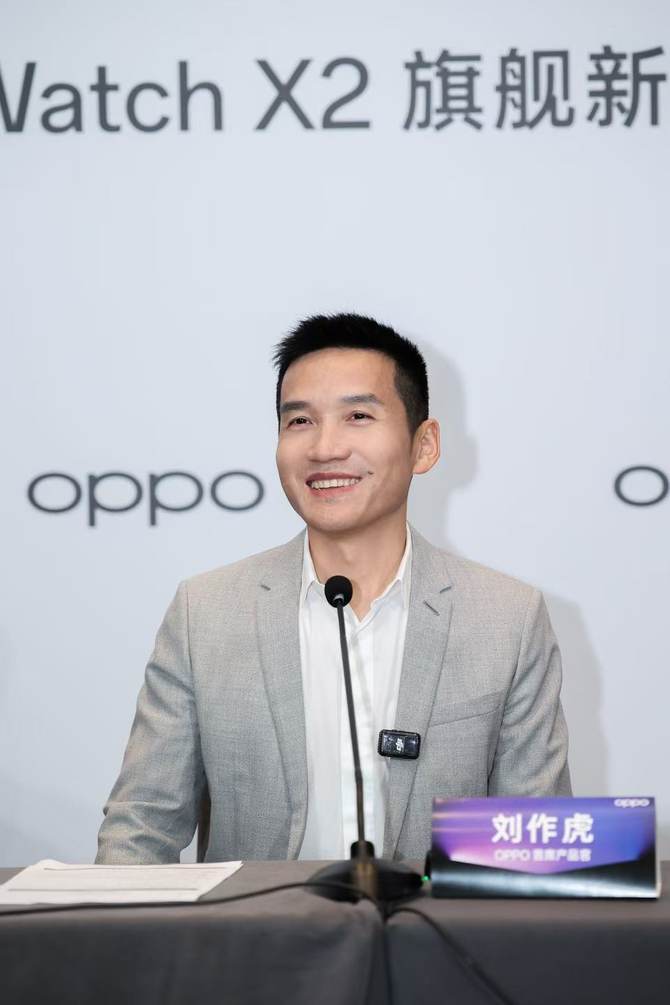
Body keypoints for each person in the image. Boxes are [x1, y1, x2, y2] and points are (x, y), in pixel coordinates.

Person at [96, 313, 570, 865]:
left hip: (432, 921)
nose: (325, 448)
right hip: (258, 921)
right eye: (299, 421)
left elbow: (538, 847)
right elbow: (142, 826)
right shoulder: (206, 612)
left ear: (424, 445)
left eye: (358, 416)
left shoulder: (506, 618)